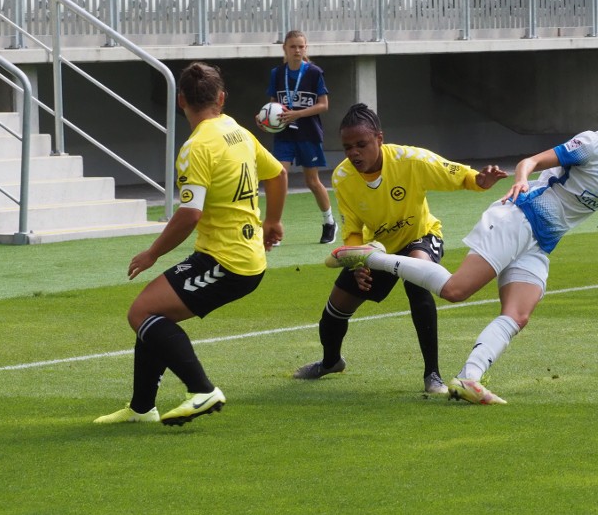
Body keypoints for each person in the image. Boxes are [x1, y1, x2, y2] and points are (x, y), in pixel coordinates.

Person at [326, 81, 598, 404]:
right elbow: (532, 161)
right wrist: (521, 180)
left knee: (518, 314)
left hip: (542, 240)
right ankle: (371, 258)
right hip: (518, 219)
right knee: (456, 290)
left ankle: (468, 378)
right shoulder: (591, 144)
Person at [95, 62, 287, 426]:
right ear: (222, 98)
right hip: (239, 256)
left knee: (140, 313)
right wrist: (273, 221)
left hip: (228, 261)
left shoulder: (196, 147)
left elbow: (190, 214)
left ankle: (202, 390)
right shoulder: (239, 132)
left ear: (180, 99)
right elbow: (278, 174)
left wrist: (152, 253)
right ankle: (141, 408)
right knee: (153, 311)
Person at [294, 103, 508, 394]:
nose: (354, 153)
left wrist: (480, 181)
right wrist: (358, 264)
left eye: (361, 144)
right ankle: (331, 361)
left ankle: (432, 375)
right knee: (334, 311)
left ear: (379, 139)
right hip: (379, 247)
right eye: (347, 147)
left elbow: (456, 174)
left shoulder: (410, 159)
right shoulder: (343, 177)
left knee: (417, 278)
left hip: (421, 236)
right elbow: (353, 230)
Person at [263, 29, 337, 244]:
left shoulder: (314, 72)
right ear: (284, 48)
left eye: (300, 46)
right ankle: (275, 228)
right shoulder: (277, 73)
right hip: (284, 135)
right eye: (292, 46)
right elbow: (272, 105)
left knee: (312, 181)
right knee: (278, 177)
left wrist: (297, 114)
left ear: (306, 48)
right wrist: (264, 119)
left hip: (308, 133)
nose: (297, 50)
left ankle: (329, 222)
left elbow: (324, 105)